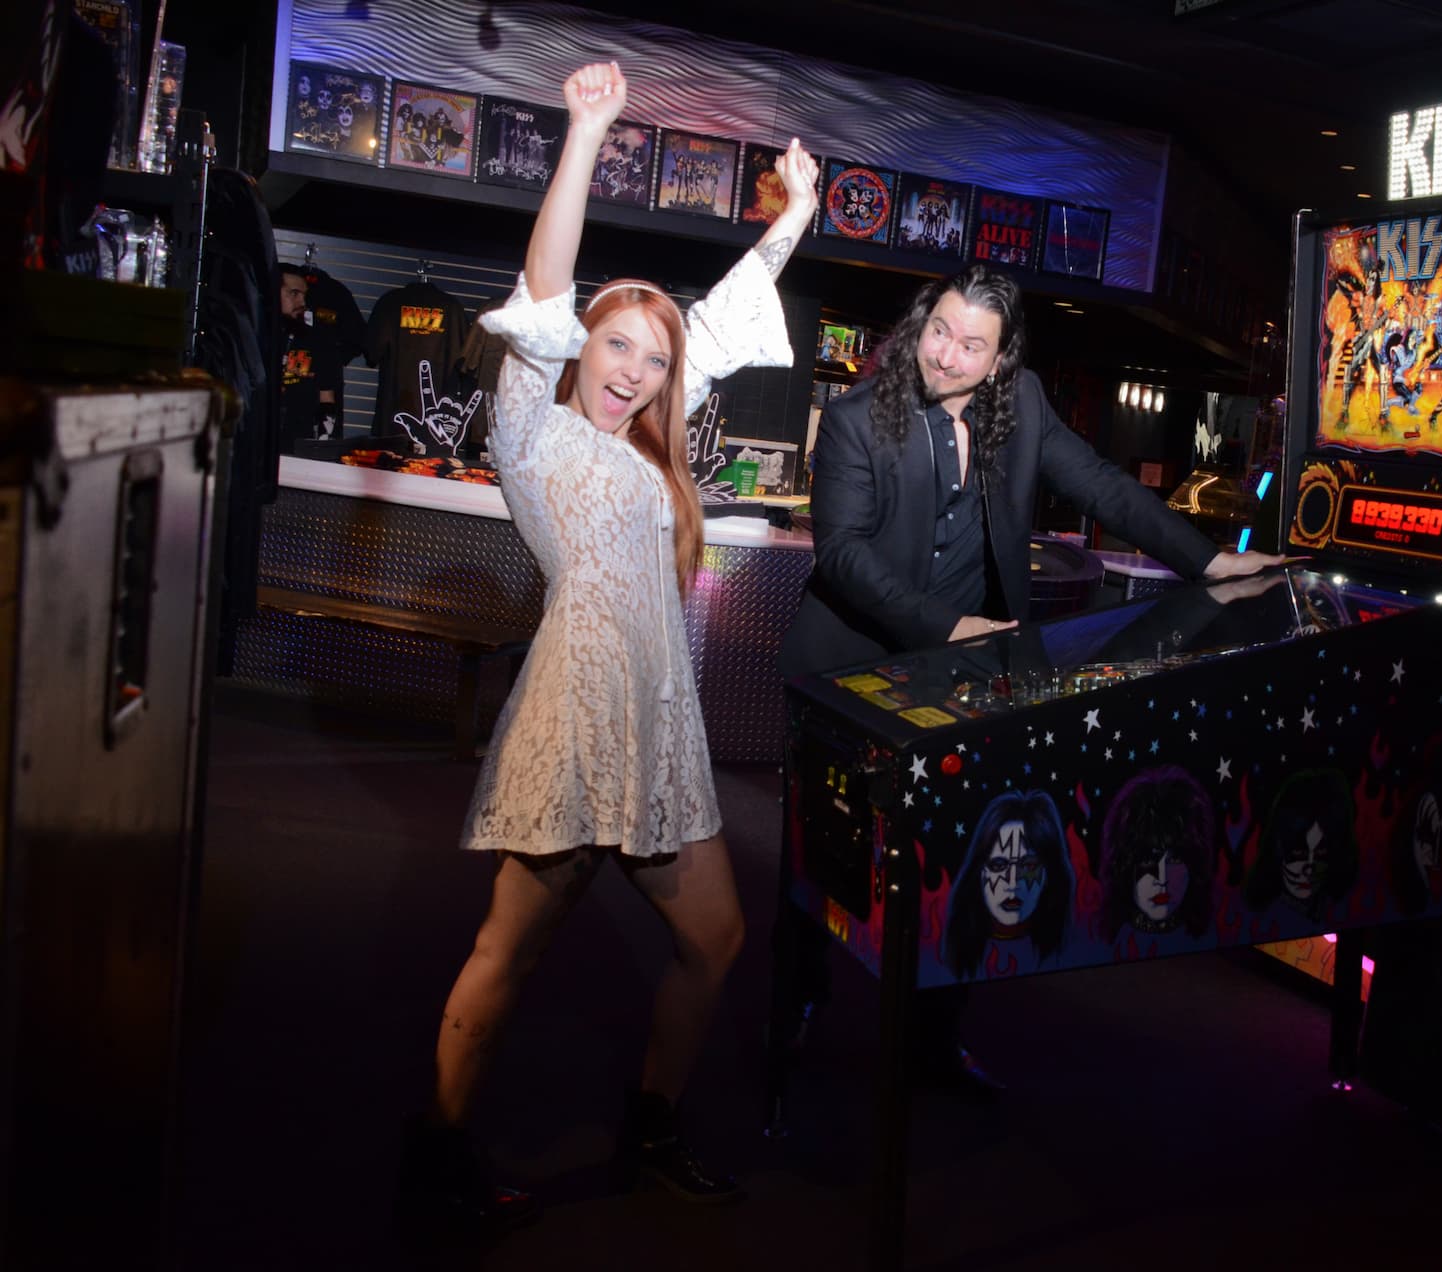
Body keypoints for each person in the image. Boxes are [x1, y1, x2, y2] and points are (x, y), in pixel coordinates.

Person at [400, 61, 819, 1226]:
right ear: (577, 348)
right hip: (576, 718)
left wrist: (795, 225)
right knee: (509, 950)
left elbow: (724, 329)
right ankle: (435, 1151)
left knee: (718, 940)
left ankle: (652, 1121)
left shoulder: (652, 455)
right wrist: (584, 132)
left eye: (650, 357)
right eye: (616, 346)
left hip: (662, 730)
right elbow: (544, 283)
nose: (632, 370)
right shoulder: (533, 432)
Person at [775, 263, 1284, 1088]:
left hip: (967, 680)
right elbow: (842, 554)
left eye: (972, 345)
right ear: (921, 322)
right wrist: (946, 625)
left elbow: (1107, 489)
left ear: (1003, 358)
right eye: (940, 331)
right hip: (848, 670)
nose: (946, 356)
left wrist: (1211, 558)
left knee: (963, 859)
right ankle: (794, 1005)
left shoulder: (1028, 407)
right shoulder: (858, 416)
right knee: (820, 856)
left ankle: (934, 1040)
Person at [276, 263, 343, 443]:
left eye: (304, 295)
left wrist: (322, 444)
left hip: (299, 449)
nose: (302, 302)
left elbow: (326, 399)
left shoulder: (318, 340)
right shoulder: (255, 337)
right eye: (294, 293)